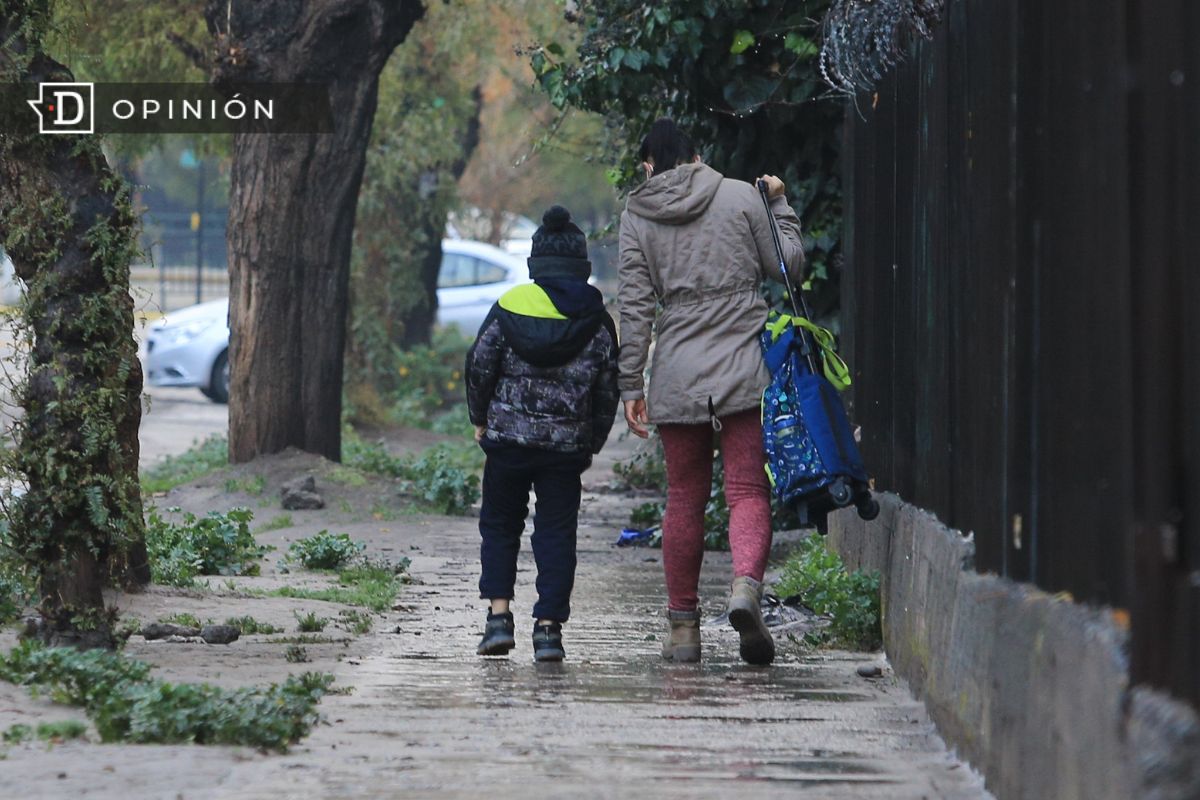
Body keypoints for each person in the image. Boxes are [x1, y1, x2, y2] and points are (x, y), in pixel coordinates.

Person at [618, 118, 805, 666]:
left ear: (650, 163)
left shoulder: (637, 216)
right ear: (697, 155)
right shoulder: (740, 197)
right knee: (747, 491)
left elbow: (633, 306)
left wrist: (632, 382)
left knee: (684, 497)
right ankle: (745, 587)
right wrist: (780, 206)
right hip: (744, 364)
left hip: (678, 371)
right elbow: (787, 268)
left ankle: (683, 629)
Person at [466, 205, 620, 662]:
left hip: (507, 442)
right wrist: (591, 440)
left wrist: (480, 417)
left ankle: (498, 620)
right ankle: (548, 631)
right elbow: (608, 388)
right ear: (582, 264)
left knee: (499, 525)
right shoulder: (598, 320)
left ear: (535, 263)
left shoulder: (510, 307)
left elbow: (479, 366)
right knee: (556, 533)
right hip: (565, 450)